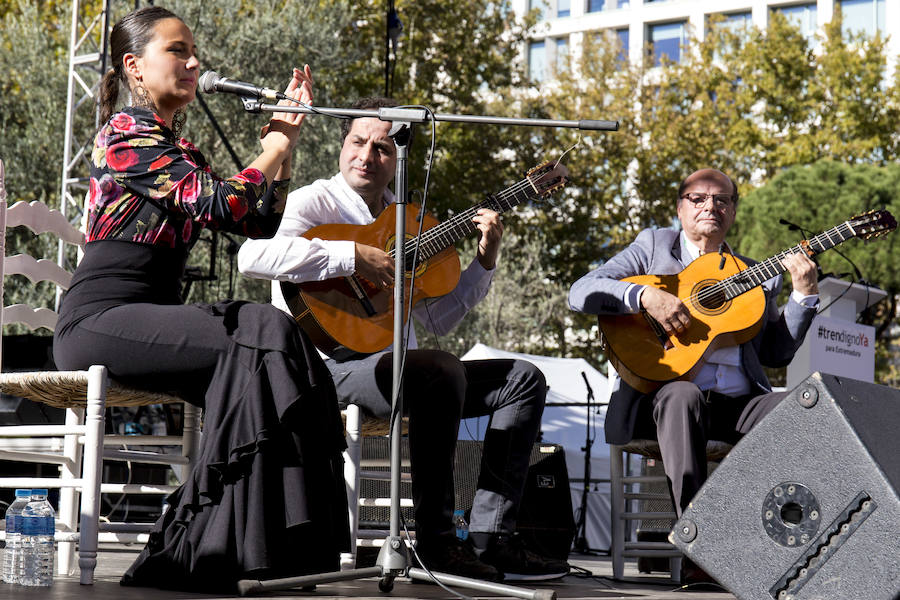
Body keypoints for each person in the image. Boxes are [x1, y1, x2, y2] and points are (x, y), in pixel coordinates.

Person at [51, 7, 348, 591]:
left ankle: (267, 555)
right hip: (99, 318)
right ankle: (211, 550)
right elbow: (217, 203)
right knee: (261, 329)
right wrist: (274, 145)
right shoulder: (124, 135)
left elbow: (256, 222)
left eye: (194, 53)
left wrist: (282, 149)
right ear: (135, 67)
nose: (193, 63)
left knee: (266, 342)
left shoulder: (176, 146)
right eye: (177, 51)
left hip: (148, 314)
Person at [237, 96, 569, 582]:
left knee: (521, 378)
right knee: (438, 368)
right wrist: (352, 256)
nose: (367, 156)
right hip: (326, 367)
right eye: (357, 142)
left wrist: (485, 261)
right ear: (341, 146)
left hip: (403, 371)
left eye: (382, 148)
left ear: (399, 158)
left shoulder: (412, 221)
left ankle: (492, 536)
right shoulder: (313, 201)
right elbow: (252, 256)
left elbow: (439, 320)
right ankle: (437, 542)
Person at [568, 168, 819, 580]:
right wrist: (646, 295)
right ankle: (699, 545)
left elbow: (776, 352)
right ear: (680, 207)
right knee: (683, 395)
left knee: (807, 405)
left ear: (734, 211)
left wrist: (803, 297)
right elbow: (583, 291)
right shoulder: (654, 245)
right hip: (661, 400)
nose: (711, 206)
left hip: (737, 406)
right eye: (699, 198)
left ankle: (779, 540)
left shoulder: (752, 272)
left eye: (722, 199)